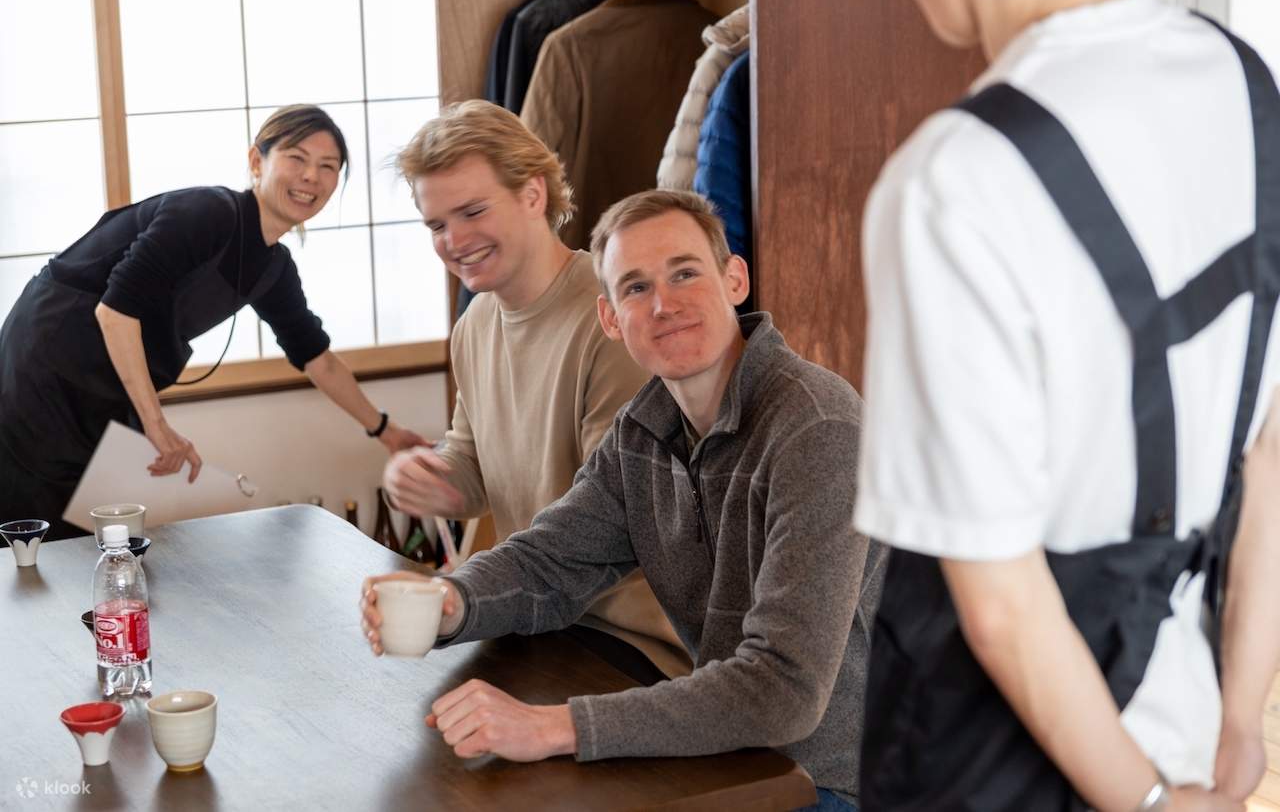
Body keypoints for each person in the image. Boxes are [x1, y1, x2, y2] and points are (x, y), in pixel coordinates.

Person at [855, 0, 1280, 809]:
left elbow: (1003, 607)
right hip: (1184, 717)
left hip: (996, 759)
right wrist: (1240, 717)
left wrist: (1150, 803)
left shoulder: (951, 180)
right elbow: (1266, 452)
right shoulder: (1243, 82)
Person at [363, 189, 885, 810]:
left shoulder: (815, 428)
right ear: (611, 318)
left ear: (735, 280)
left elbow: (783, 688)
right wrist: (453, 601)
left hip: (844, 779)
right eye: (635, 288)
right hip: (741, 759)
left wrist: (557, 726)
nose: (664, 304)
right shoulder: (645, 428)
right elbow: (551, 560)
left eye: (685, 273)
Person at [0, 105, 426, 541]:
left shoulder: (273, 267)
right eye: (296, 158)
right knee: (40, 531)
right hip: (46, 363)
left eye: (328, 167)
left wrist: (387, 432)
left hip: (104, 385)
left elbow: (317, 359)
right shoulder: (207, 212)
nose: (311, 177)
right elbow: (116, 311)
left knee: (106, 528)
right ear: (257, 162)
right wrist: (157, 425)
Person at [382, 100, 688, 680]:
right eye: (437, 224)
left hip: (625, 640)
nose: (455, 240)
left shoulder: (612, 318)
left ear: (533, 194)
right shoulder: (474, 325)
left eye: (472, 211)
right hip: (532, 611)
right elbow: (472, 469)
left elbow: (604, 527)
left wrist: (464, 598)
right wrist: (431, 478)